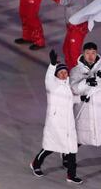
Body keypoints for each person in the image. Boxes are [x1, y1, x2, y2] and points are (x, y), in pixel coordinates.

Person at [30, 50, 82, 184]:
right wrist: (52, 65)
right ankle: (36, 163)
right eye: (61, 72)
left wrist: (81, 98)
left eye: (65, 72)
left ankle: (71, 175)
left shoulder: (67, 87)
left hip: (68, 124)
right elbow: (48, 78)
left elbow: (71, 100)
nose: (64, 74)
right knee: (50, 147)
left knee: (72, 150)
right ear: (56, 75)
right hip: (55, 123)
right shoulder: (52, 86)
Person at [45, 0, 88, 70]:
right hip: (72, 28)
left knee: (73, 53)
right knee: (66, 49)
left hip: (77, 29)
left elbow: (62, 0)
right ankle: (71, 69)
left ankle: (77, 74)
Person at [70, 42, 101, 149]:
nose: (91, 56)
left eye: (93, 53)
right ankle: (68, 158)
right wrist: (86, 82)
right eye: (88, 53)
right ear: (83, 54)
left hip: (99, 108)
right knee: (79, 137)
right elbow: (75, 89)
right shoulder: (76, 71)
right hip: (84, 110)